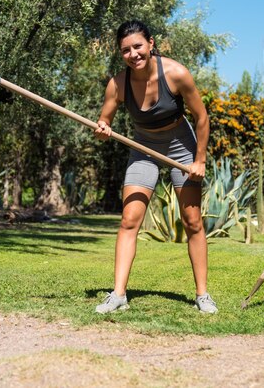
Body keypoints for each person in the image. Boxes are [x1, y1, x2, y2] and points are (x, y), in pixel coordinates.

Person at [93, 20, 217, 314]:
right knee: (129, 219)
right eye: (125, 50)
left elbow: (201, 117)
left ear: (150, 43)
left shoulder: (175, 74)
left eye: (138, 46)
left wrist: (199, 160)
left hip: (180, 145)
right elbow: (104, 120)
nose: (133, 54)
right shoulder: (118, 84)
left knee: (193, 222)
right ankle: (119, 295)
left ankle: (202, 295)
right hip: (144, 148)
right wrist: (102, 127)